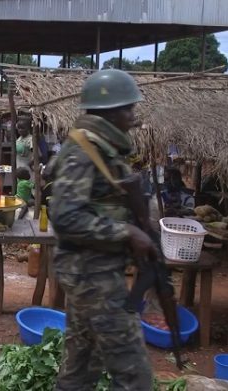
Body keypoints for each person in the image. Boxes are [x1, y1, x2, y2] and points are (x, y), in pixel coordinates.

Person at [49, 69, 155, 390]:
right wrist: (126, 233)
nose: (132, 117)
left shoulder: (101, 150)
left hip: (92, 274)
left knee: (80, 371)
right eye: (127, 109)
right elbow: (65, 217)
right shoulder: (83, 152)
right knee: (134, 376)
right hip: (93, 279)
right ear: (108, 112)